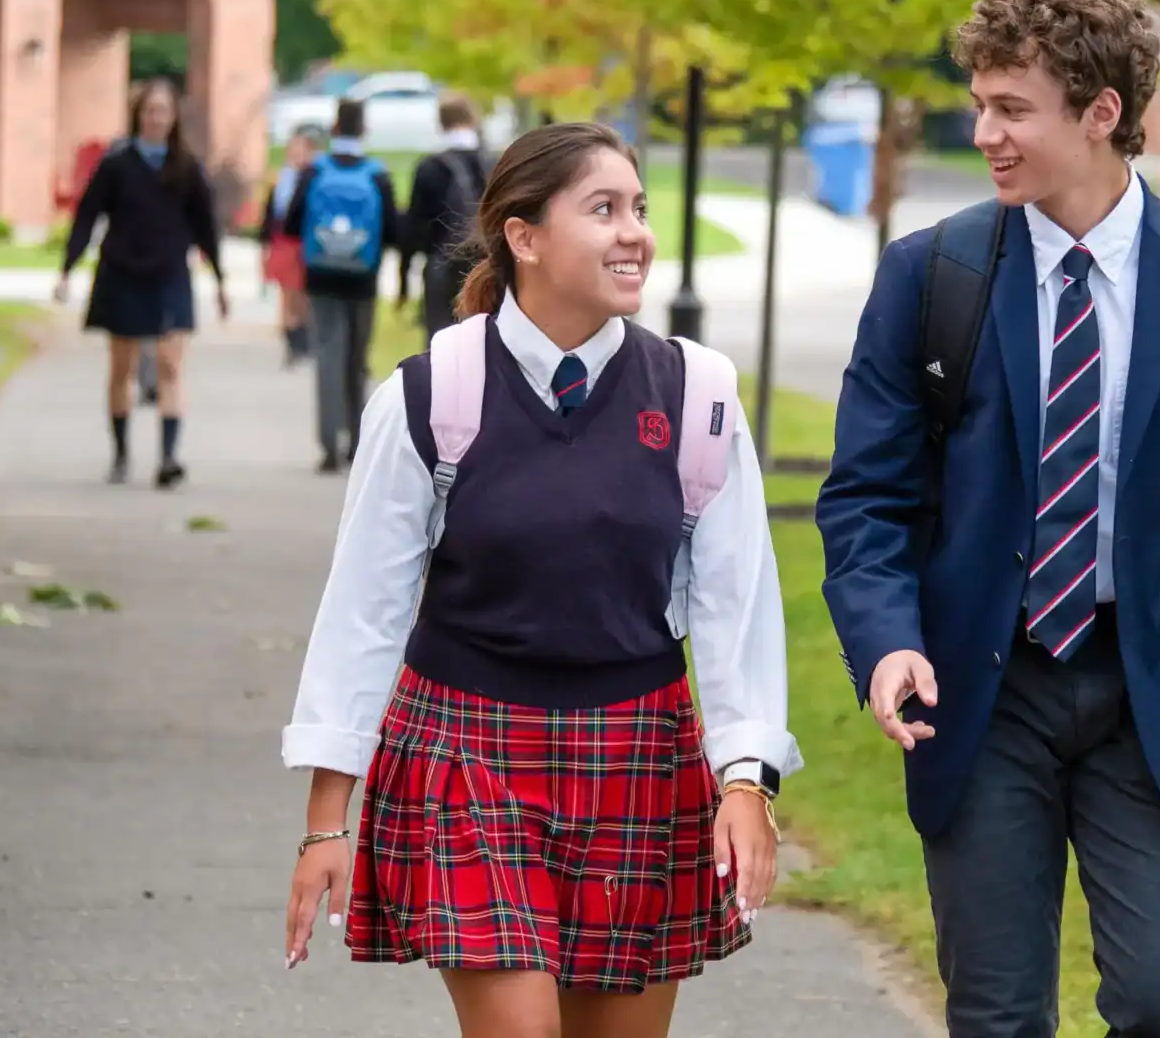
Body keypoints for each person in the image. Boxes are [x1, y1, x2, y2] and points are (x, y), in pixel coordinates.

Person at [814, 0, 1160, 1038]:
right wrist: (884, 643)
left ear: (1102, 113)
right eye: (979, 105)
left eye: (1012, 109)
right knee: (998, 1016)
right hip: (982, 691)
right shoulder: (931, 276)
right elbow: (864, 498)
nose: (986, 133)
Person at [281, 121, 800, 1038]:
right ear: (524, 237)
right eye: (603, 210)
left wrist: (745, 783)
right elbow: (363, 612)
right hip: (466, 754)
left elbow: (734, 609)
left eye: (638, 208)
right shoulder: (429, 392)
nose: (634, 232)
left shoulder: (700, 395)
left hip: (637, 758)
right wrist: (329, 819)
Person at [54, 77, 227, 488]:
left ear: (173, 119)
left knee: (170, 364)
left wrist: (220, 279)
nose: (156, 119)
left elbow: (206, 227)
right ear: (138, 116)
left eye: (163, 112)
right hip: (123, 273)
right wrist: (67, 268)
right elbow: (87, 216)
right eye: (150, 111)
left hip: (169, 274)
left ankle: (168, 458)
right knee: (122, 368)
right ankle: (120, 453)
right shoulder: (117, 165)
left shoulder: (186, 168)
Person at [281, 99, 399, 473]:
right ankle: (357, 440)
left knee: (328, 356)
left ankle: (328, 443)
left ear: (334, 130)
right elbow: (395, 229)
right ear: (364, 131)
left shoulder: (315, 171)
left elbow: (289, 223)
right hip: (363, 278)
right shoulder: (377, 174)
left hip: (321, 276)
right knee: (357, 359)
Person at [397, 92, 493, 345]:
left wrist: (403, 278)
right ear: (473, 119)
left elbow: (414, 226)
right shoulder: (493, 163)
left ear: (441, 123)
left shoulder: (430, 167)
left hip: (441, 264)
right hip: (488, 268)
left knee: (440, 346)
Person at [260, 125, 322, 367]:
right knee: (287, 294)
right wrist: (264, 245)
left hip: (305, 242)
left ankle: (303, 338)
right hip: (284, 242)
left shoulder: (314, 177)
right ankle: (293, 343)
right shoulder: (281, 179)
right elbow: (270, 215)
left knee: (304, 296)